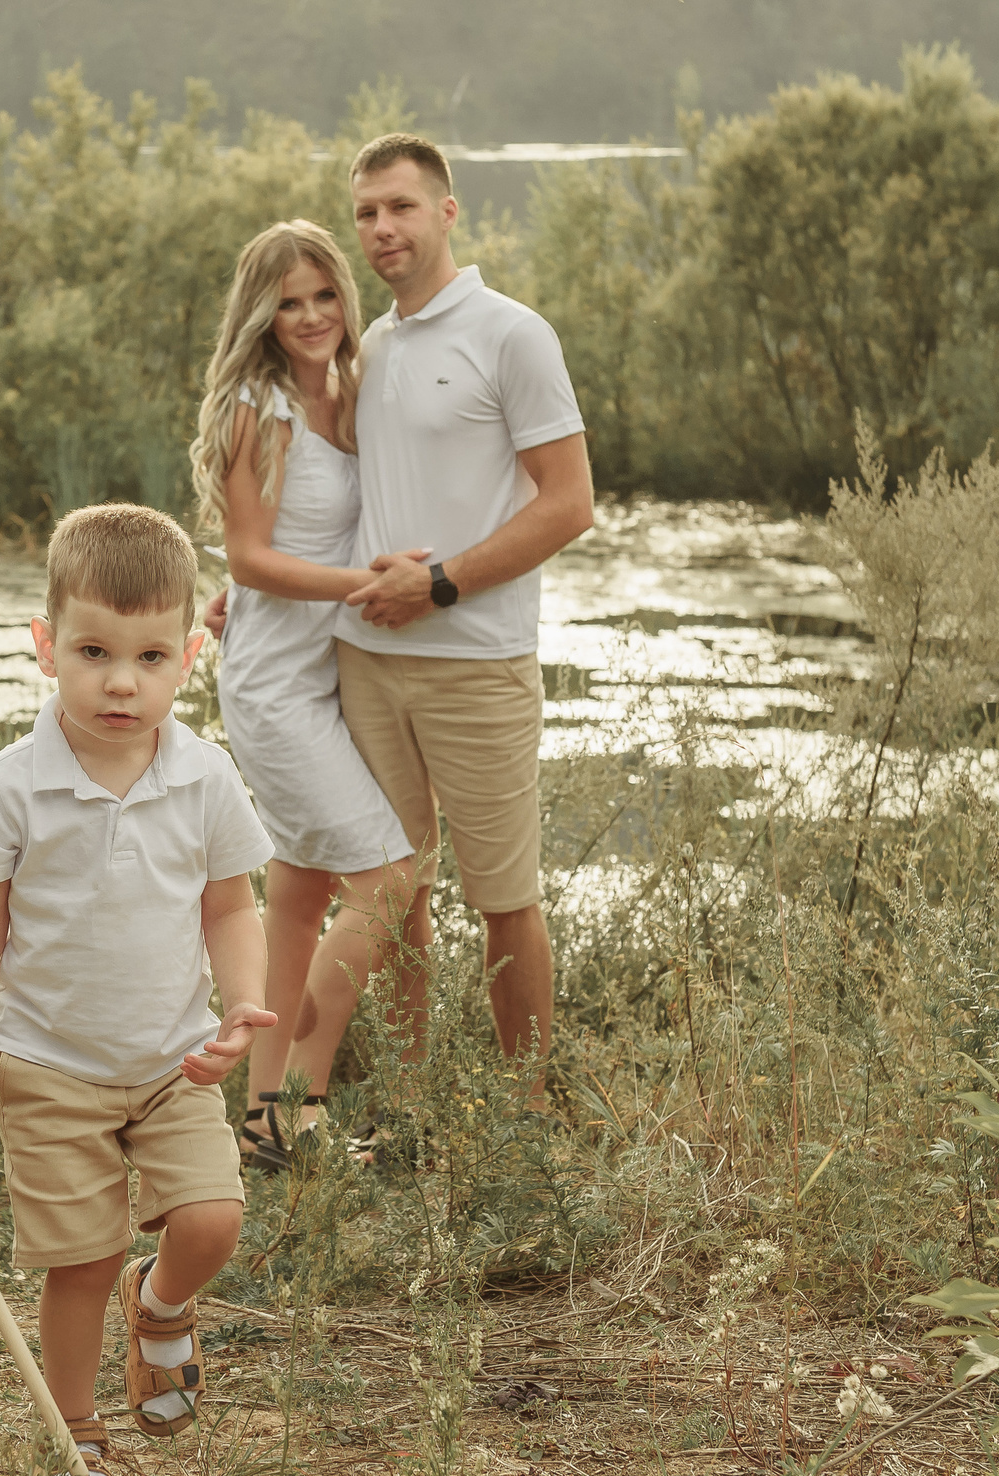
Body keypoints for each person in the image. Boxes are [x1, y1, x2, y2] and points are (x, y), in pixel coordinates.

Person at [0, 502, 275, 1476]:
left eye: (150, 656)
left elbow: (230, 906)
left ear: (190, 657)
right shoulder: (13, 785)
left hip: (173, 1057)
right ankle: (73, 1429)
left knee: (213, 1218)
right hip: (48, 1062)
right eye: (93, 652)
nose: (122, 681)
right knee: (79, 1259)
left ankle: (159, 1301)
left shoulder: (206, 776)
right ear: (46, 647)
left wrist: (244, 1003)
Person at [335, 132, 595, 1068]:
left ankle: (524, 1113)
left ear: (447, 211)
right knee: (391, 889)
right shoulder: (368, 345)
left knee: (504, 898)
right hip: (367, 662)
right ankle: (408, 1106)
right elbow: (348, 501)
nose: (382, 227)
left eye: (401, 206)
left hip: (479, 662)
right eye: (366, 212)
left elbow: (570, 503)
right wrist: (256, 597)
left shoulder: (512, 334)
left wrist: (440, 583)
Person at [185, 220, 421, 1171]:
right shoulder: (259, 406)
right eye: (290, 303)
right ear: (263, 314)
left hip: (332, 674)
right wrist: (362, 585)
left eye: (326, 295)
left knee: (299, 894)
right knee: (388, 878)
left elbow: (295, 541)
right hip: (276, 689)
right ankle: (297, 1111)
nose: (313, 316)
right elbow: (251, 555)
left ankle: (261, 1122)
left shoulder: (350, 391)